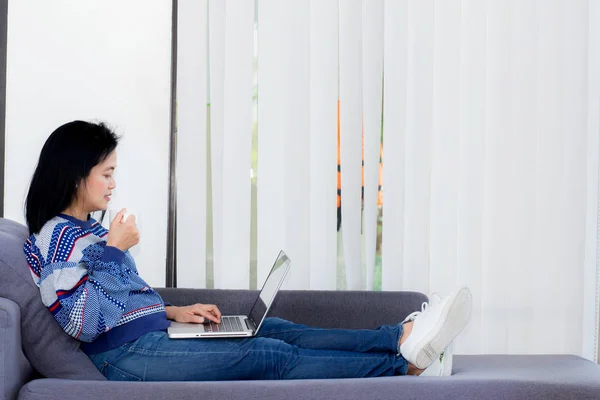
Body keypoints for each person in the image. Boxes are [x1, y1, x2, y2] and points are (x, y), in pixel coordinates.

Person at [23, 120, 472, 381]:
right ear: (76, 174)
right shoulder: (54, 238)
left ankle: (398, 338)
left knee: (275, 329)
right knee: (268, 355)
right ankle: (406, 370)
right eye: (106, 173)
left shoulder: (87, 230)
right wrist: (116, 251)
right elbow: (82, 320)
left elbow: (121, 299)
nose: (114, 183)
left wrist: (174, 311)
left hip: (151, 334)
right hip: (124, 357)